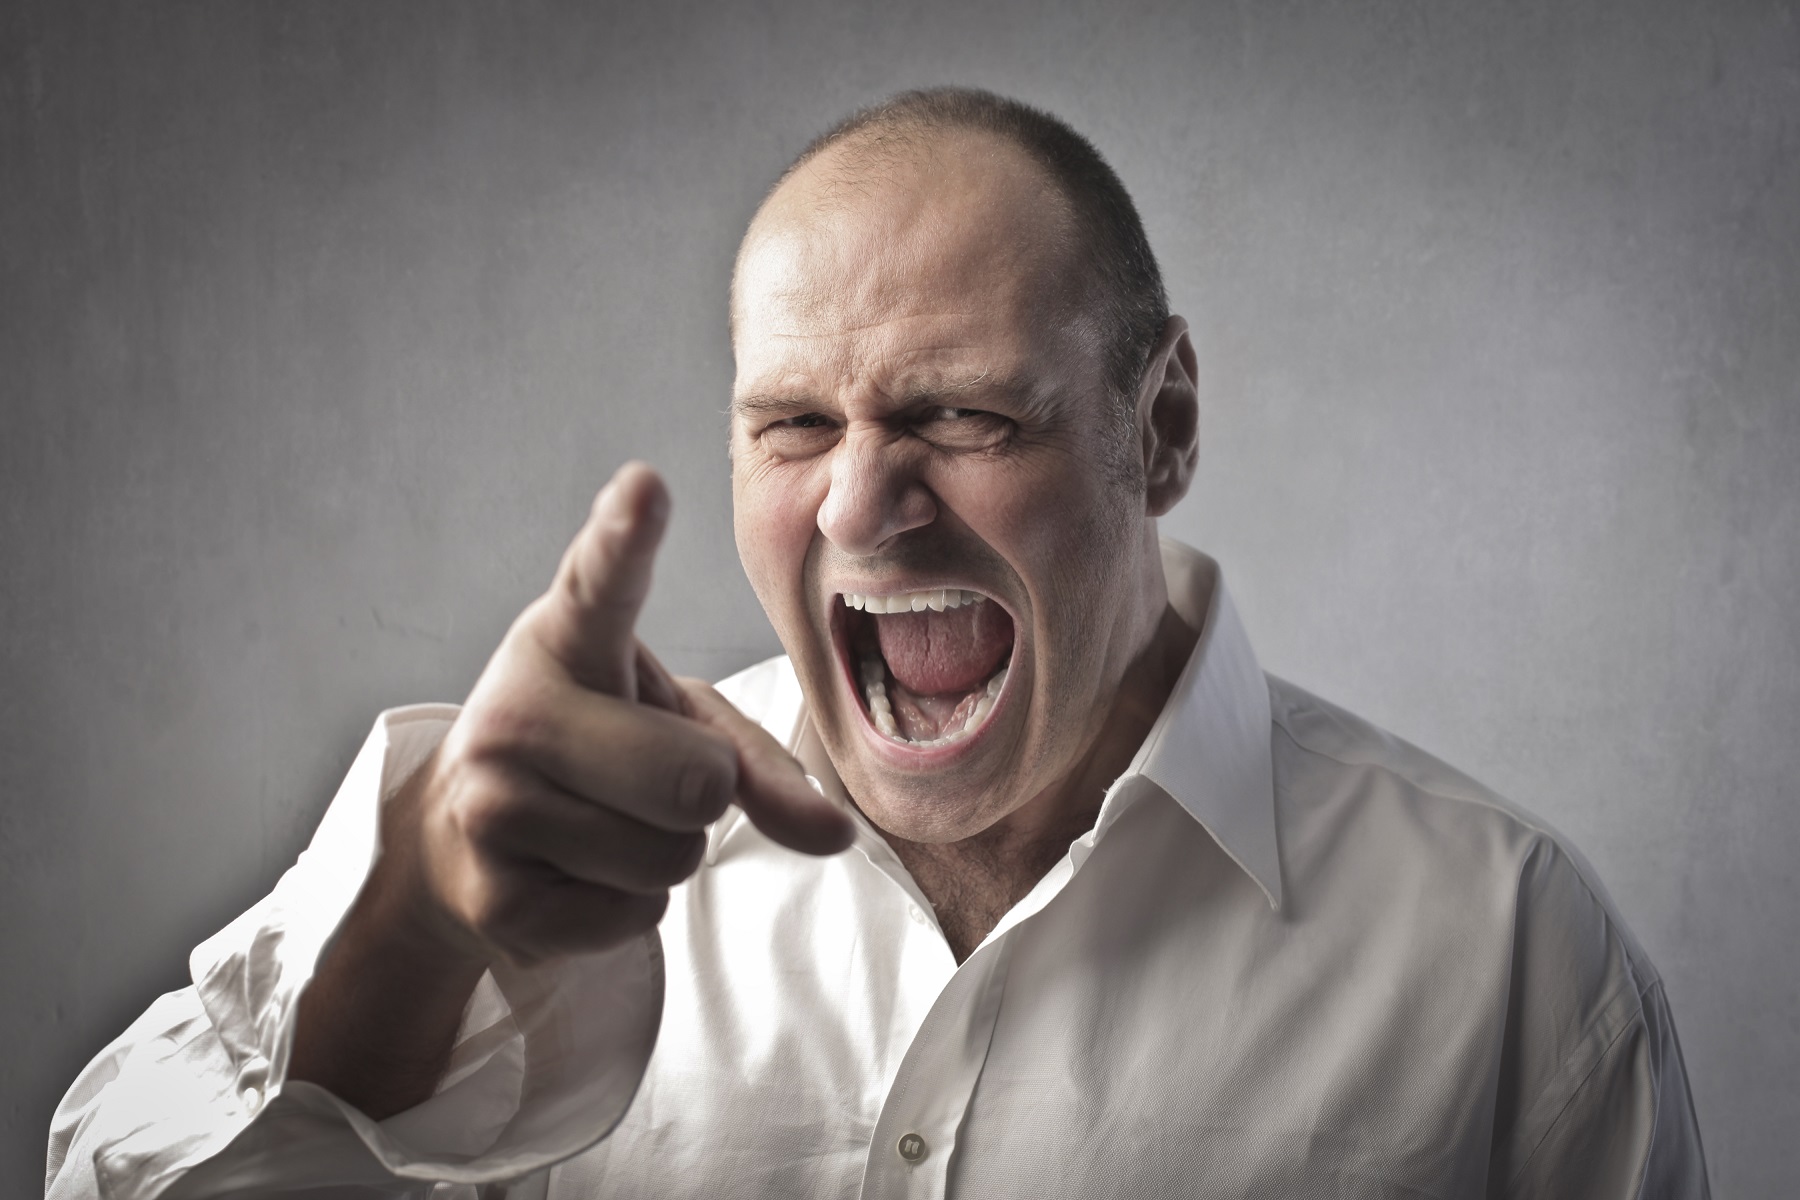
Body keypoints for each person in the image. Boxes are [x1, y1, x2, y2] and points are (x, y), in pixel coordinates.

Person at [47, 87, 1708, 1199]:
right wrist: (407, 939)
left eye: (962, 413)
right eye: (791, 425)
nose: (861, 507)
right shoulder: (551, 858)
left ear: (1166, 425)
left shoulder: (1507, 957)